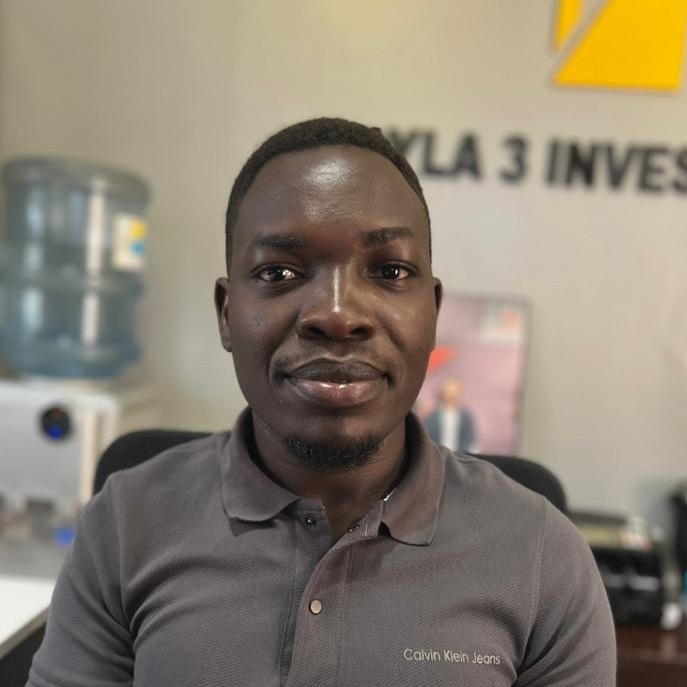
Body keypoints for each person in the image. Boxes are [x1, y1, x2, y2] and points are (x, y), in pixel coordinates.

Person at [27, 118, 616, 686]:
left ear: (433, 313)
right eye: (279, 273)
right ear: (227, 314)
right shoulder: (125, 524)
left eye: (390, 271)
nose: (337, 315)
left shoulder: (542, 556)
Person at [424, 376, 479, 452]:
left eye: (454, 392)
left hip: (460, 454)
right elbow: (428, 437)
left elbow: (468, 440)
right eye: (449, 391)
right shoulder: (432, 416)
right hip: (438, 454)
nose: (451, 395)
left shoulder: (466, 417)